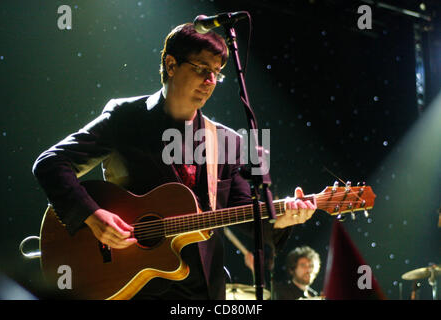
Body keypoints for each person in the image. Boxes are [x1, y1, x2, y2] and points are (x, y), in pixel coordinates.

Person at [32, 22, 317, 300]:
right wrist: (92, 217)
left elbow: (242, 211)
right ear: (170, 65)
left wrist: (281, 218)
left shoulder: (227, 141)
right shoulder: (126, 117)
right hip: (134, 283)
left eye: (216, 74)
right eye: (202, 69)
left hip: (202, 289)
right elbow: (51, 163)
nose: (210, 82)